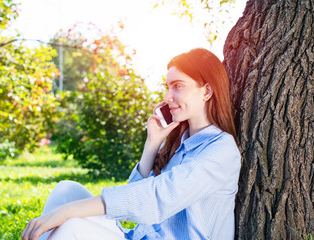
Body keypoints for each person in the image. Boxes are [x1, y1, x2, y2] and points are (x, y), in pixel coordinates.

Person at [21, 48, 241, 240]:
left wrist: (68, 212)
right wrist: (153, 143)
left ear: (207, 91)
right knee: (66, 190)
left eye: (178, 86)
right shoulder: (181, 143)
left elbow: (156, 199)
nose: (167, 96)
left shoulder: (220, 150)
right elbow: (136, 191)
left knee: (73, 224)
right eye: (167, 86)